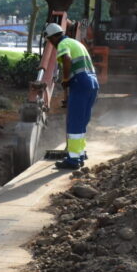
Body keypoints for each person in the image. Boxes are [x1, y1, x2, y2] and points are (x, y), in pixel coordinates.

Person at [43, 23, 99, 170]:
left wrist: (66, 79)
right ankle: (79, 154)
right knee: (81, 121)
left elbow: (66, 59)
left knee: (74, 122)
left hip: (80, 83)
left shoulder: (63, 44)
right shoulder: (76, 43)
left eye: (50, 39)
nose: (50, 43)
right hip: (92, 83)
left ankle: (73, 160)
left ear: (55, 37)